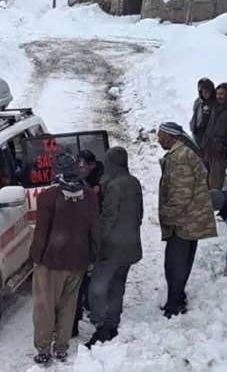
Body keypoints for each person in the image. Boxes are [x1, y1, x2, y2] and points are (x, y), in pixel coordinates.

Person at [30, 153, 99, 367]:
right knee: (68, 306)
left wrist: (36, 257)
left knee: (45, 307)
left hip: (51, 261)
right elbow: (94, 229)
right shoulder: (89, 195)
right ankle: (61, 348)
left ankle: (43, 350)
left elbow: (41, 232)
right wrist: (93, 256)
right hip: (78, 260)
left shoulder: (48, 197)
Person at [157, 123, 219, 318]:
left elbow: (181, 194)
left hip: (184, 221)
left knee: (175, 264)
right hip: (192, 218)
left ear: (170, 137)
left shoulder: (179, 158)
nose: (158, 140)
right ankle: (178, 297)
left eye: (161, 136)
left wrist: (167, 215)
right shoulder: (186, 152)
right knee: (184, 260)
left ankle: (174, 305)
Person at [86, 147, 143, 347]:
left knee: (98, 287)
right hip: (131, 246)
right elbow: (140, 214)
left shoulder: (114, 186)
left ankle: (101, 326)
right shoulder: (134, 182)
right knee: (118, 285)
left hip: (113, 247)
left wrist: (96, 242)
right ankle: (113, 322)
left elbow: (108, 218)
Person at [73, 149, 104, 335]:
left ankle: (92, 304)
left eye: (82, 165)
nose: (79, 168)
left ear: (91, 165)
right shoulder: (83, 179)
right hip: (84, 232)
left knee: (92, 272)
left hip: (94, 231)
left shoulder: (101, 180)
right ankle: (86, 301)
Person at [189, 78, 216, 148]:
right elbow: (195, 116)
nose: (206, 94)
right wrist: (192, 127)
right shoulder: (197, 102)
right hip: (197, 132)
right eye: (204, 91)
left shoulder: (215, 103)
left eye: (208, 92)